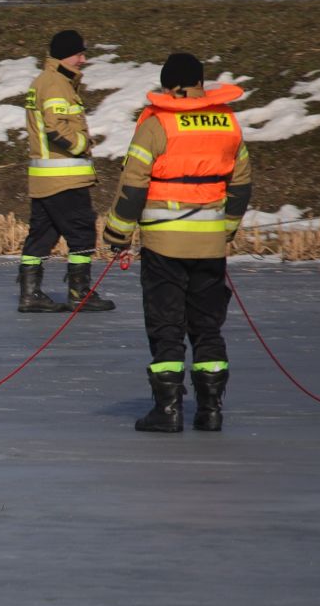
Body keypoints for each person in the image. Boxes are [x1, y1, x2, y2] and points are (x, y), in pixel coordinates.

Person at [101, 53, 252, 433]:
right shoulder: (227, 122)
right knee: (207, 327)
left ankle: (167, 411)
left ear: (168, 85)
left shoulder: (157, 123)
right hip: (210, 247)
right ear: (201, 83)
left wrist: (117, 233)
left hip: (165, 245)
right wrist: (226, 230)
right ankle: (211, 410)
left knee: (166, 325)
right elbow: (241, 185)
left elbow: (133, 184)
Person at [17, 29, 114, 314]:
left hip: (45, 179)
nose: (83, 60)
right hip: (64, 178)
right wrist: (85, 144)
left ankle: (29, 294)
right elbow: (56, 128)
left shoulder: (46, 81)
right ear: (64, 54)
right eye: (79, 54)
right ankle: (79, 292)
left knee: (42, 236)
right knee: (82, 233)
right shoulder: (56, 84)